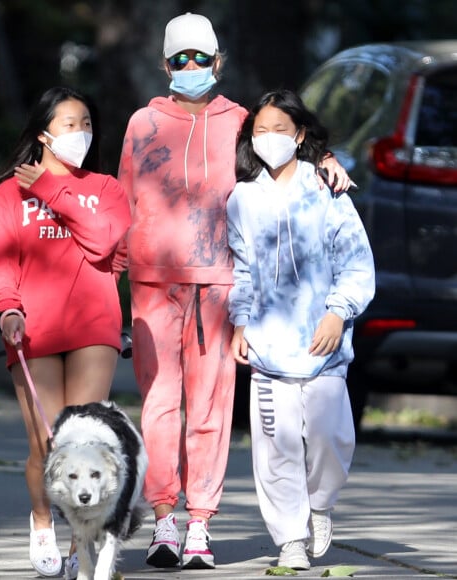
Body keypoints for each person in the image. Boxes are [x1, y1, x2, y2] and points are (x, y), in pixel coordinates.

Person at [113, 12, 352, 570]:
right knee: (159, 404)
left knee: (212, 408)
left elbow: (283, 150)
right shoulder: (141, 123)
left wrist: (327, 159)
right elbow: (122, 203)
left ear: (218, 62)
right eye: (180, 59)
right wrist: (110, 284)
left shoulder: (242, 120)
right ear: (164, 64)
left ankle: (200, 524)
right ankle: (163, 520)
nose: (191, 67)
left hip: (221, 284)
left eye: (201, 58)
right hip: (153, 282)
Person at [0, 86, 131, 579]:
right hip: (32, 329)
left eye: (86, 122)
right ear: (43, 132)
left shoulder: (106, 189)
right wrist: (7, 309)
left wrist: (50, 188)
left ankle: (77, 549)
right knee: (47, 444)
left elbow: (105, 240)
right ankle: (42, 520)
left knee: (83, 443)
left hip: (94, 326)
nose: (80, 132)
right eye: (69, 123)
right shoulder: (7, 194)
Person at [227, 89, 375, 571]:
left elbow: (356, 262)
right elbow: (243, 269)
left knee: (333, 438)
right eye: (261, 131)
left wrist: (338, 311)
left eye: (280, 130)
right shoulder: (243, 198)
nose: (270, 139)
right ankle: (290, 536)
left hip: (324, 345)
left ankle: (320, 505)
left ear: (301, 134)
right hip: (269, 350)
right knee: (275, 447)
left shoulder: (327, 188)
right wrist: (240, 322)